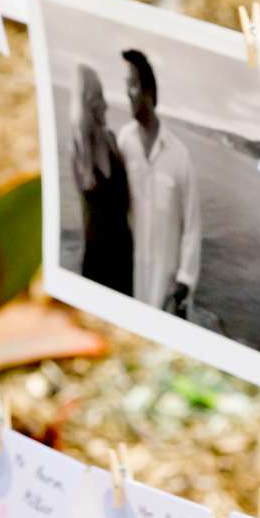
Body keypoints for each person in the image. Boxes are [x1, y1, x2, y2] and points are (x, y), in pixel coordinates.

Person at [115, 48, 200, 318]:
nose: (127, 92)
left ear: (149, 92)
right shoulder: (123, 141)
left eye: (133, 85)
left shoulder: (180, 155)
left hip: (166, 283)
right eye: (126, 85)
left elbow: (192, 225)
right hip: (130, 275)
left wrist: (184, 280)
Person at [69, 67, 132, 295]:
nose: (105, 105)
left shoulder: (113, 141)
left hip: (125, 253)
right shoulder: (79, 154)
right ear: (87, 103)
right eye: (98, 98)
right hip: (98, 257)